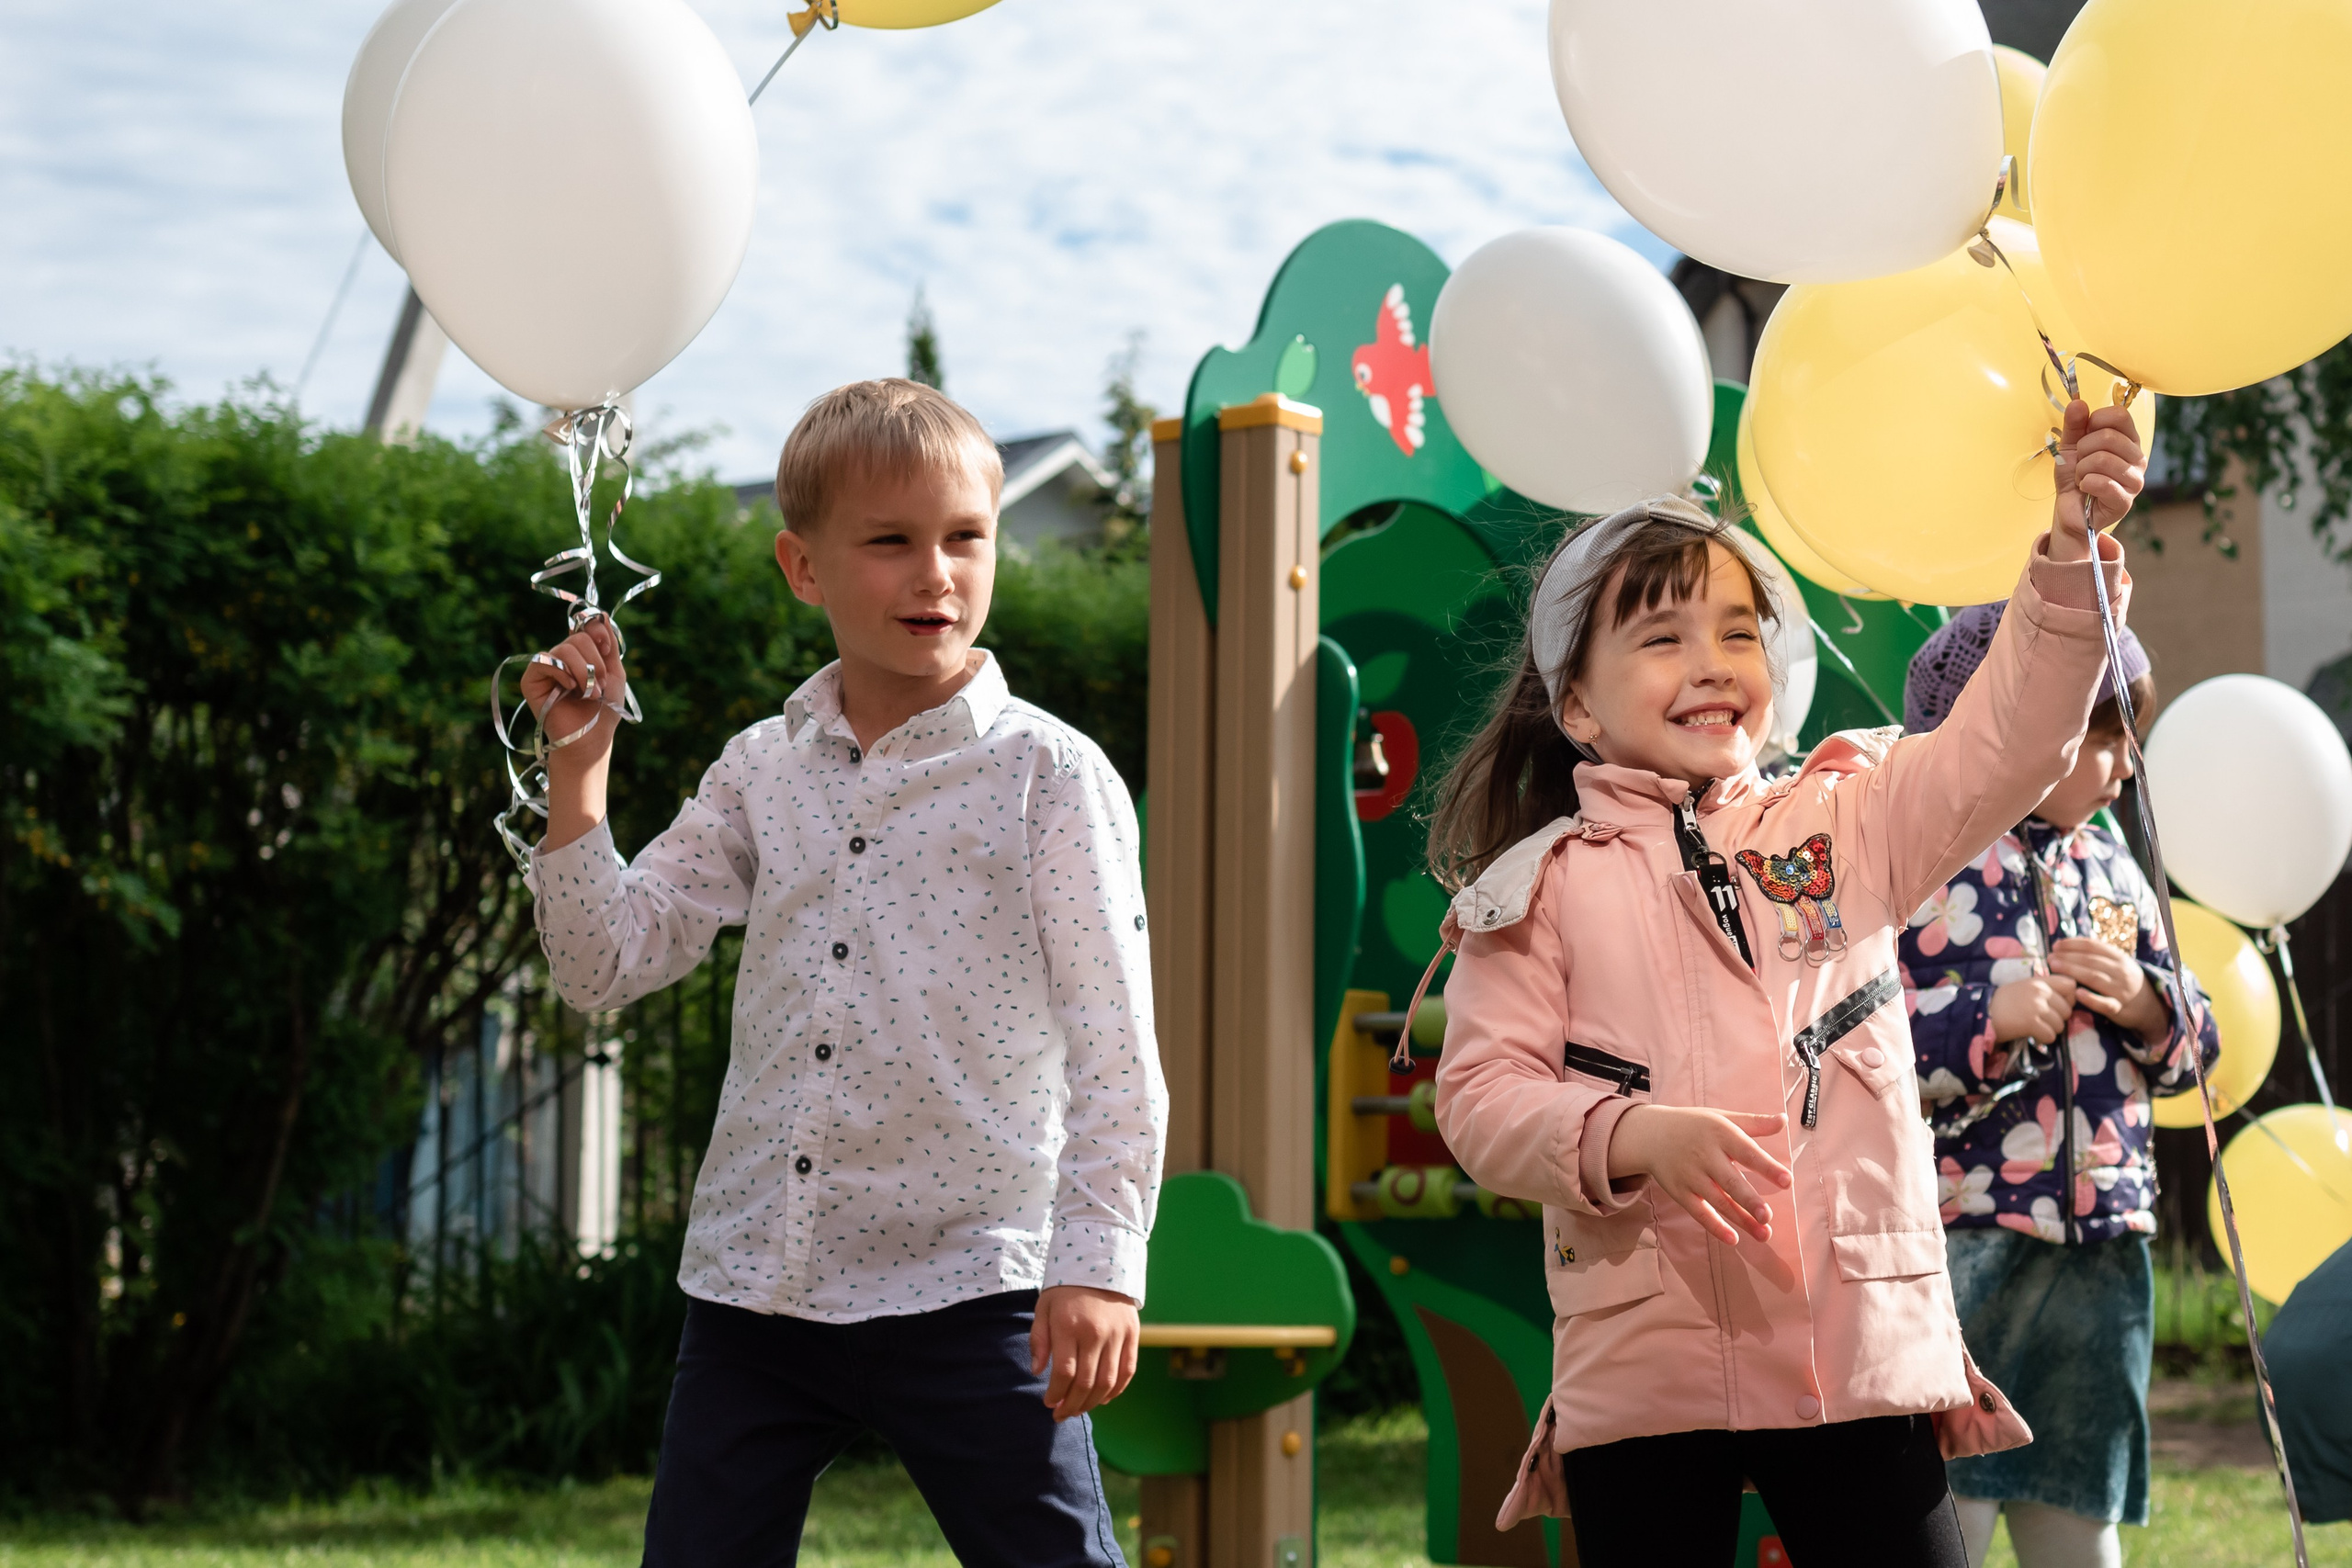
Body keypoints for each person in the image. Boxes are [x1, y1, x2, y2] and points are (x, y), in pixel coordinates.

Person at [1430, 398, 2147, 1568]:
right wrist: (1625, 1134)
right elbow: (1481, 1102)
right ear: (1575, 706)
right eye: (1659, 638)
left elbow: (2010, 738)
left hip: (1858, 1341)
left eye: (1736, 633)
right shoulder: (1538, 887)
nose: (1709, 665)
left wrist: (2067, 552)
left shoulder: (1850, 815)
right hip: (1648, 1363)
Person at [519, 379, 1165, 1568]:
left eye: (967, 537)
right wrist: (580, 777)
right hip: (760, 1283)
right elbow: (604, 962)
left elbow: (1117, 1043)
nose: (937, 572)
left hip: (974, 1276)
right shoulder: (763, 768)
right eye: (891, 540)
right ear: (802, 565)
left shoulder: (1051, 778)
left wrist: (1098, 1265)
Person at [1901, 609, 2218, 1568]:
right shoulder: (1922, 861)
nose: (2125, 764)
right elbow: (1860, 1049)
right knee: (1952, 1503)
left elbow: (2193, 1048)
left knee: (2079, 1509)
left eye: (2132, 736)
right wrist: (1984, 1020)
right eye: (2104, 735)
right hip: (1969, 1236)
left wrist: (2151, 1007)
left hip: (2102, 1247)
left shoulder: (2109, 860)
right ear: (2012, 724)